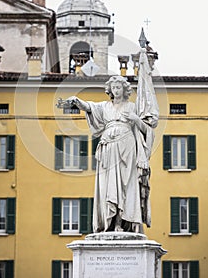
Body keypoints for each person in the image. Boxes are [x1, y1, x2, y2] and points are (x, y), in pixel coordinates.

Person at [67, 50, 159, 233]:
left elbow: (148, 130)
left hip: (127, 149)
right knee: (109, 186)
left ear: (125, 90)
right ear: (110, 90)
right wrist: (77, 101)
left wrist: (135, 119)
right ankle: (109, 223)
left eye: (119, 87)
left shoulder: (133, 107)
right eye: (113, 88)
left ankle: (122, 222)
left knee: (126, 186)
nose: (116, 90)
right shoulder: (105, 107)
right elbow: (89, 107)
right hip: (108, 149)